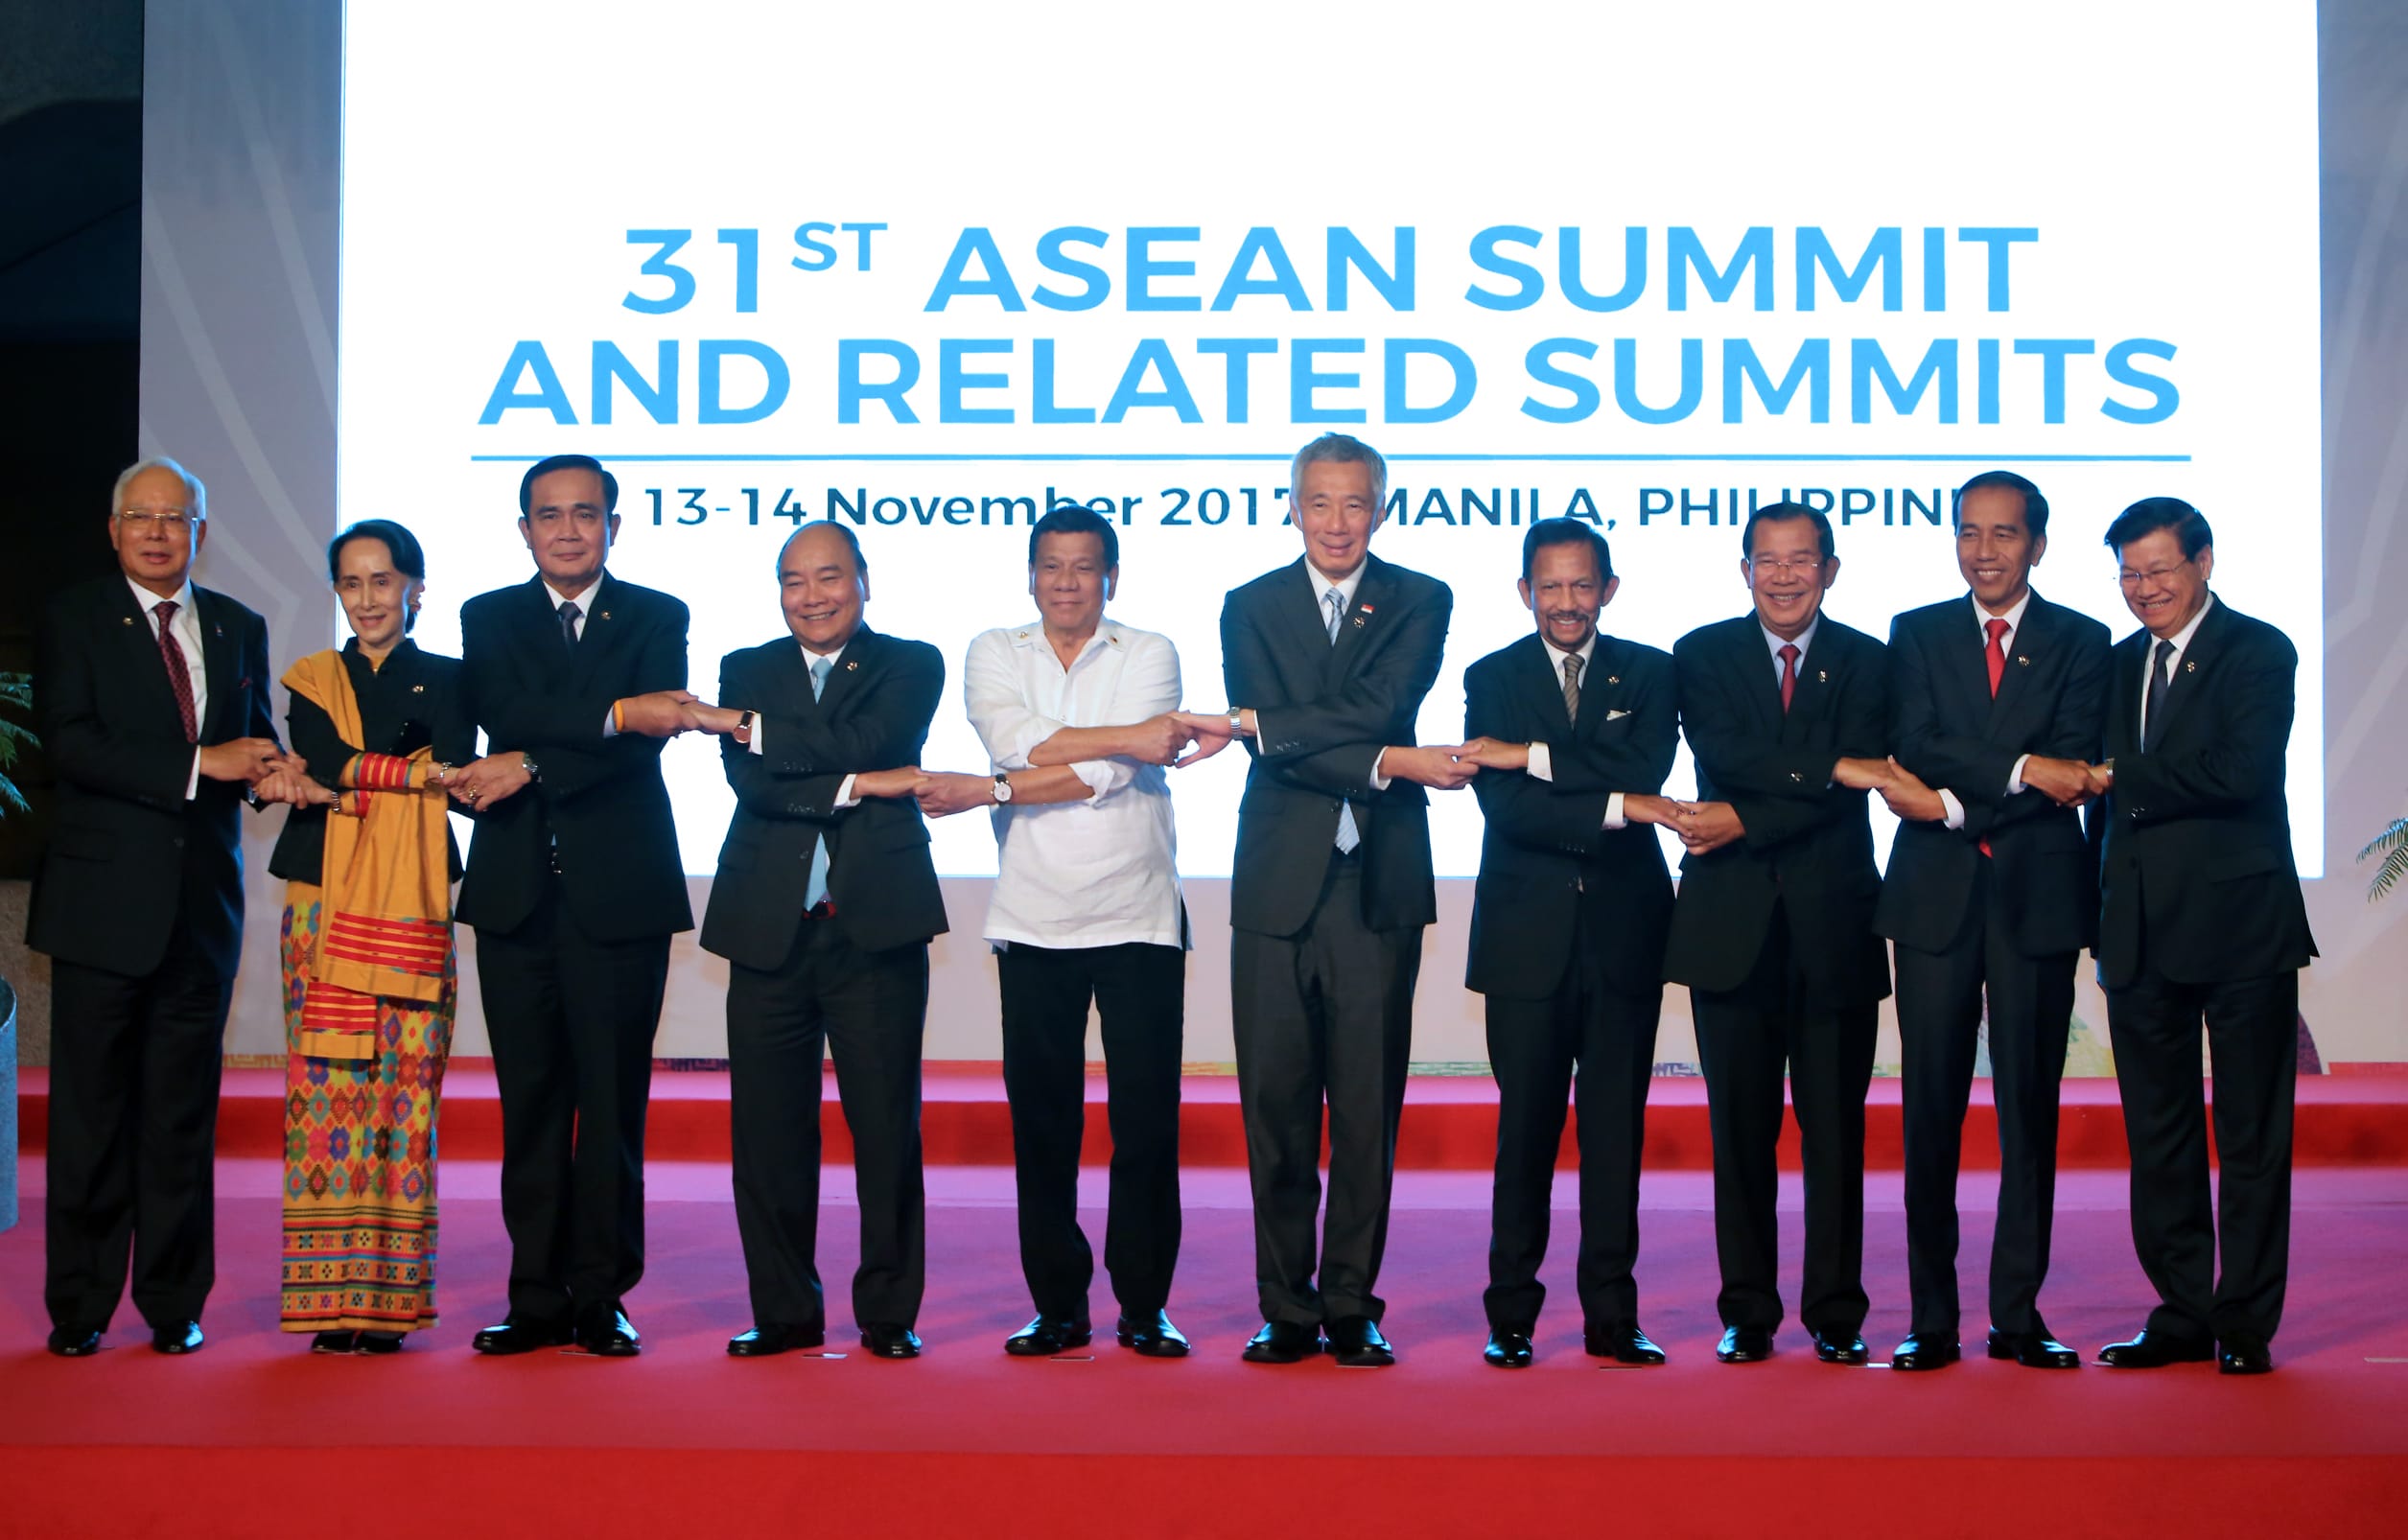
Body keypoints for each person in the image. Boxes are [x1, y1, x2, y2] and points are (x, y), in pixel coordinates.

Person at [1173, 432, 1467, 1367]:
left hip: (1377, 882)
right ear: (1292, 505)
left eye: (1355, 503)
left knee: (1368, 1108)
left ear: (1381, 507)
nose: (1337, 523)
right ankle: (1284, 1305)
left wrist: (1260, 725)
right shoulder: (1250, 604)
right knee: (1277, 1106)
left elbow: (1374, 707)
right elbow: (1305, 742)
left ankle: (1350, 1303)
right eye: (1319, 502)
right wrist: (1385, 761)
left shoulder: (1421, 596)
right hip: (1277, 881)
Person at [916, 503, 1204, 1359]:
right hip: (1034, 918)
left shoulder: (1148, 650)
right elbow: (1016, 743)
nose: (1066, 582)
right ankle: (1058, 1307)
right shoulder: (992, 650)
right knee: (1043, 1128)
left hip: (1139, 915)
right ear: (1031, 574)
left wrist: (1001, 785)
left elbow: (1108, 773)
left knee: (1145, 1126)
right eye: (1051, 565)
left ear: (1109, 576)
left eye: (1083, 566)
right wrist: (1127, 740)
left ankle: (1144, 1306)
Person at [30, 456, 289, 1357]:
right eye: (140, 516)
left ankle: (175, 1301)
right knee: (91, 1117)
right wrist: (201, 765)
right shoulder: (73, 618)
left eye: (174, 518)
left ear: (199, 534)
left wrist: (275, 772)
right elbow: (70, 742)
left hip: (201, 910)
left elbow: (252, 744)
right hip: (101, 910)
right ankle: (81, 1305)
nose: (156, 531)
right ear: (113, 530)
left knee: (182, 1117)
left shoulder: (238, 624)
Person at [449, 453, 697, 1359]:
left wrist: (532, 759)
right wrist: (613, 711)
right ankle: (534, 1297)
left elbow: (646, 739)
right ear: (524, 530)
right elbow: (503, 709)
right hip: (517, 896)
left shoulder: (658, 614)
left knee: (613, 1105)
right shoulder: (487, 615)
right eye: (549, 515)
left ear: (612, 527)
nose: (567, 530)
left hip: (620, 896)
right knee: (532, 1106)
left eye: (585, 514)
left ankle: (601, 1295)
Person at [689, 522, 947, 1360]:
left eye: (829, 577)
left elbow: (877, 743)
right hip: (770, 928)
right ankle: (784, 1311)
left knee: (885, 1128)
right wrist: (856, 785)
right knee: (768, 1135)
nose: (812, 597)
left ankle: (888, 1313)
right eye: (793, 581)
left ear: (863, 581)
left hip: (874, 928)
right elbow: (752, 785)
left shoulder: (910, 662)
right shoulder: (745, 668)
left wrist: (758, 732)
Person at [1871, 472, 2111, 1372]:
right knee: (1927, 1110)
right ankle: (1930, 1318)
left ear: (2036, 545)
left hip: (2035, 899)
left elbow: (2072, 764)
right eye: (1968, 532)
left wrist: (1955, 799)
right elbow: (1914, 744)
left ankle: (2017, 1314)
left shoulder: (2083, 640)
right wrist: (2017, 770)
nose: (1983, 551)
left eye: (2003, 534)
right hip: (1934, 900)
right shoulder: (1916, 631)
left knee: (2027, 1112)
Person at [2089, 498, 2315, 1376]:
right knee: (2159, 1135)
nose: (2143, 589)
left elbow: (2240, 772)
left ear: (2203, 562)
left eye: (2159, 570)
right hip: (2137, 930)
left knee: (2251, 1134)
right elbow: (2096, 816)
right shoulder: (2114, 665)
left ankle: (2244, 1321)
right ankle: (2181, 1311)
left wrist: (2118, 775)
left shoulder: (2257, 650)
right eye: (2129, 574)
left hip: (2240, 928)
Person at [1662, 500, 1890, 1366]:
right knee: (1740, 1134)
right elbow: (1731, 756)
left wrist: (1750, 816)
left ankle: (1835, 1312)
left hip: (1835, 926)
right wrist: (1825, 769)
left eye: (1801, 561)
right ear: (1744, 569)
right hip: (1730, 931)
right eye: (1768, 560)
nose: (1784, 576)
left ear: (1829, 570)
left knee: (1835, 1134)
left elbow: (1854, 779)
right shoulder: (1701, 654)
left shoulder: (1870, 660)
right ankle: (1747, 1311)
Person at [1455, 519, 1682, 1369]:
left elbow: (1644, 767)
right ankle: (1510, 1315)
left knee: (1615, 1134)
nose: (1565, 602)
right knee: (1525, 1134)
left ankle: (1612, 1317)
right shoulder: (1491, 676)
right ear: (1525, 591)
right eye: (1548, 586)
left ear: (1608, 589)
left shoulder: (1652, 671)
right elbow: (1508, 809)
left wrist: (1532, 756)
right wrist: (1615, 802)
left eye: (1581, 584)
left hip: (1625, 932)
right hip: (1525, 939)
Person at [258, 520, 474, 1353]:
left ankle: (387, 1303)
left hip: (413, 902)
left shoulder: (452, 677)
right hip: (321, 899)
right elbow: (323, 757)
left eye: (383, 581)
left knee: (405, 1099)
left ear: (416, 589)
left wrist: (359, 779)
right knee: (324, 1095)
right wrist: (408, 774)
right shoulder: (313, 677)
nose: (368, 599)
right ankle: (328, 1303)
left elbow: (447, 758)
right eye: (351, 583)